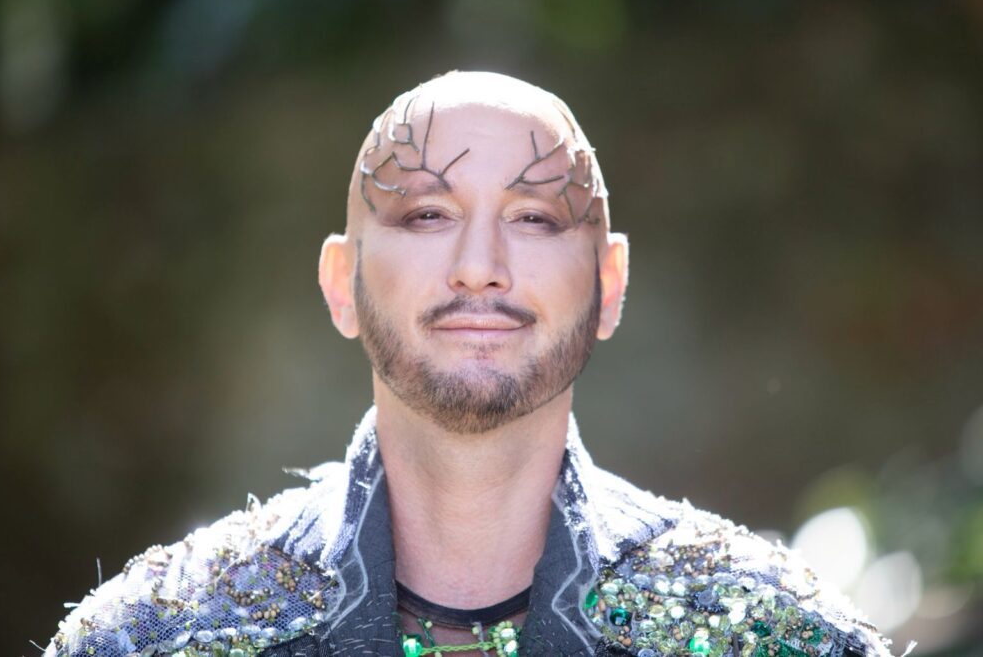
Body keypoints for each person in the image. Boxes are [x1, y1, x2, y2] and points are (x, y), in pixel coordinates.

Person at [43, 71, 900, 657]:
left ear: (609, 286)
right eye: (426, 215)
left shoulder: (773, 634)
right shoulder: (160, 636)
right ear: (342, 284)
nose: (479, 267)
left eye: (534, 219)